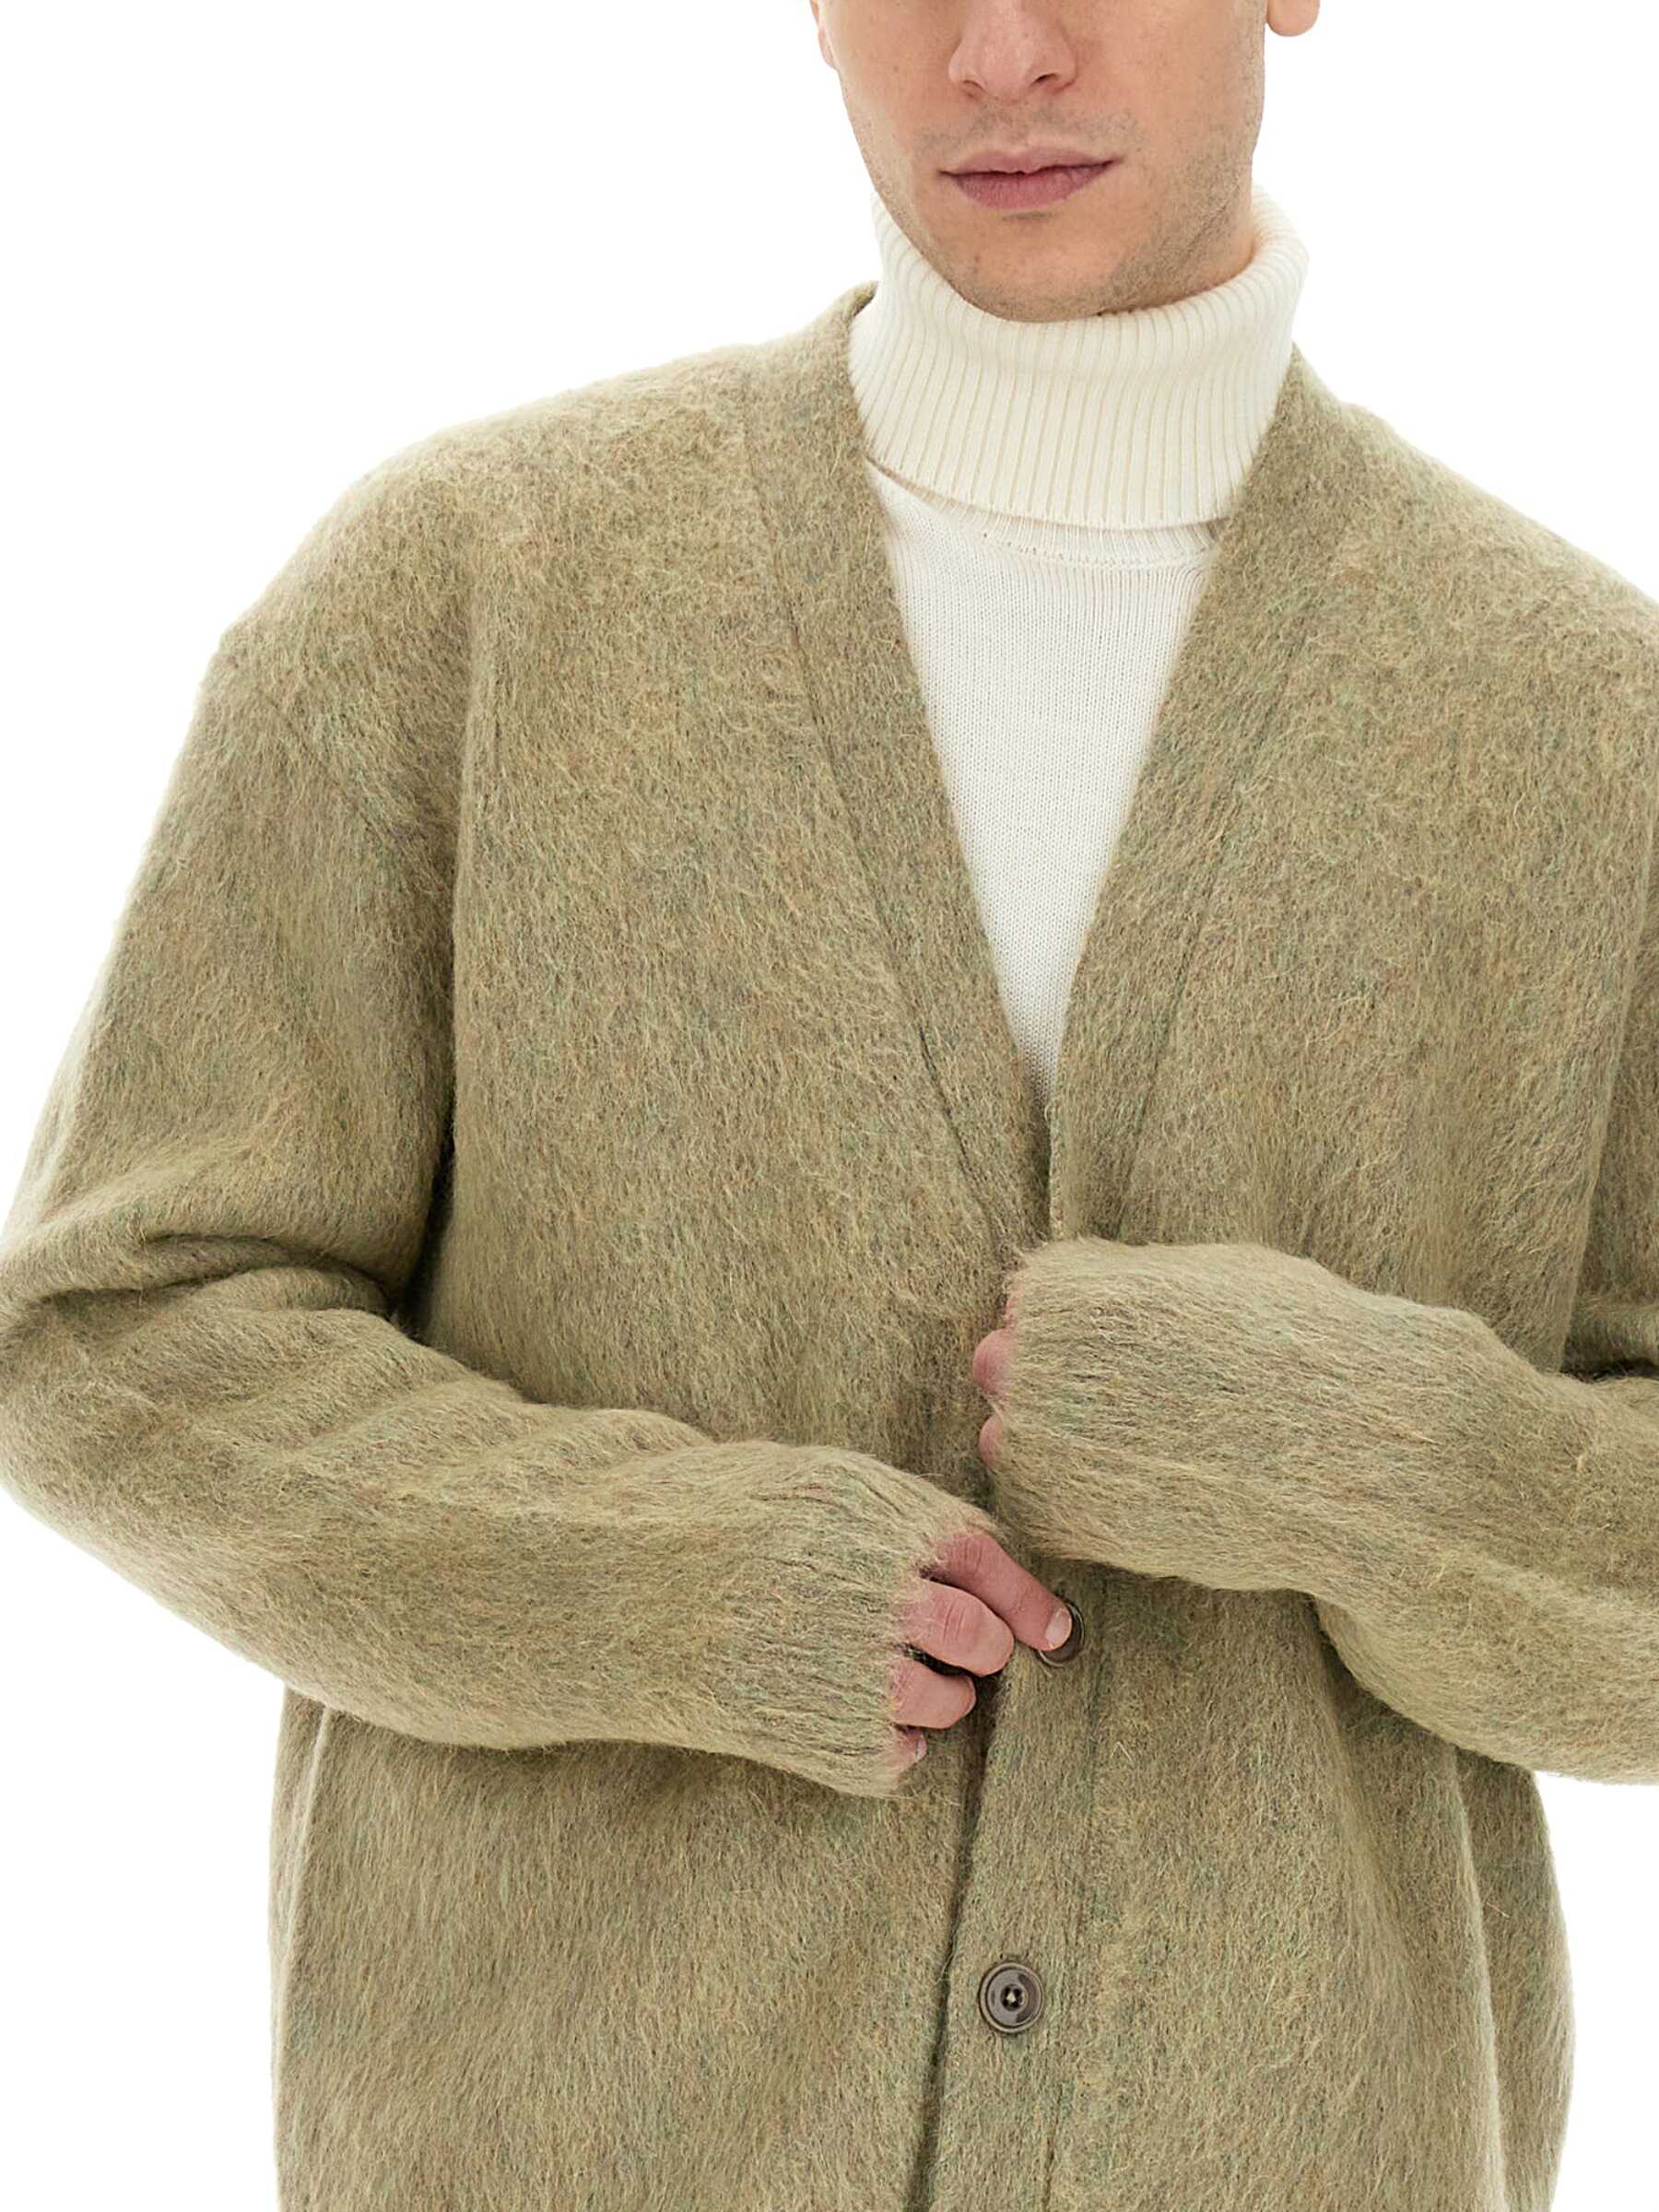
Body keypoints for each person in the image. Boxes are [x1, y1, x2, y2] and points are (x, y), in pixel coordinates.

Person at [3, 4, 1655, 2207]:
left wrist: (1338, 1444)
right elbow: (112, 1328)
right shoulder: (472, 597)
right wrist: (659, 1579)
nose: (1001, 51)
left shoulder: (1583, 728)